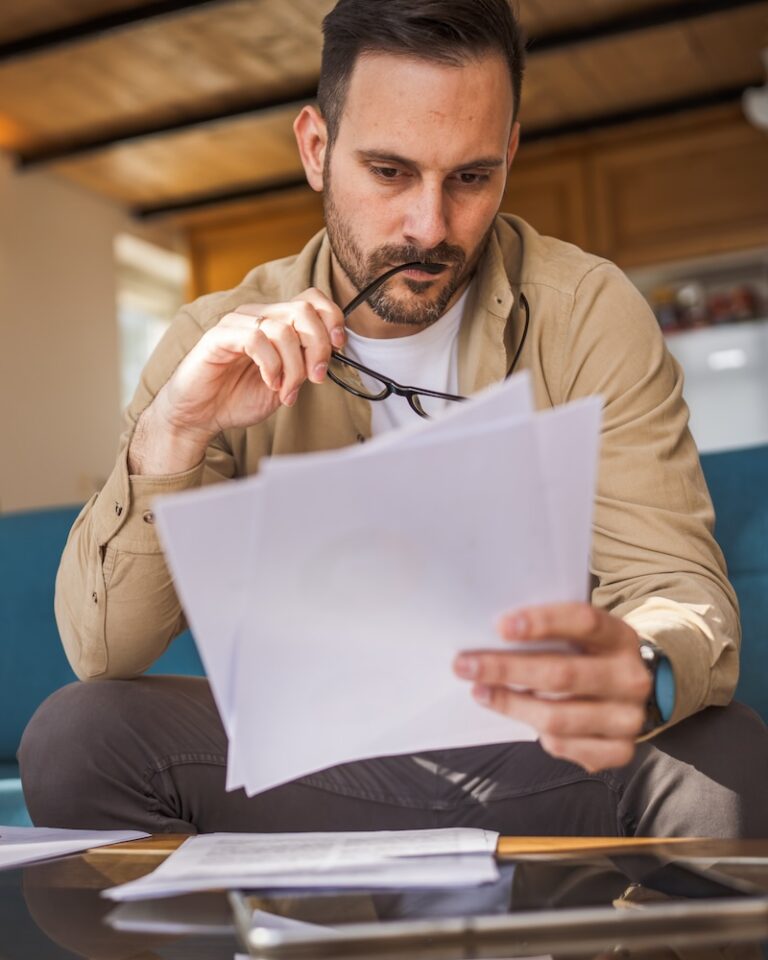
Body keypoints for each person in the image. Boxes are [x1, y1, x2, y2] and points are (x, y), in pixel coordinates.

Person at [20, 0, 768, 837]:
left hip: (536, 748)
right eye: (389, 172)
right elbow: (103, 653)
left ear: (510, 153)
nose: (429, 227)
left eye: (472, 177)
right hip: (305, 765)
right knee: (74, 739)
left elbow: (677, 587)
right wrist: (173, 432)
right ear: (316, 149)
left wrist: (639, 666)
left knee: (727, 757)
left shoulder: (587, 311)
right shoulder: (210, 339)